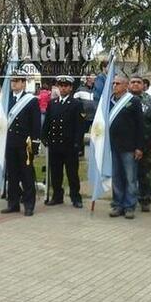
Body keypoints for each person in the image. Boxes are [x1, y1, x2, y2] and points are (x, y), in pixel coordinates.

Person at [0, 70, 41, 217]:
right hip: (10, 143)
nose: (14, 83)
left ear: (24, 83)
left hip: (25, 144)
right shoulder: (7, 99)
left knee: (27, 175)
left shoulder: (31, 100)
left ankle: (29, 205)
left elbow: (36, 125)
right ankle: (13, 203)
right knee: (12, 175)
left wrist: (35, 144)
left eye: (17, 81)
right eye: (12, 81)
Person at [42, 75, 84, 208]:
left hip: (69, 145)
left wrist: (78, 143)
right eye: (60, 85)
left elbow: (79, 126)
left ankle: (75, 197)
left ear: (71, 88)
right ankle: (57, 196)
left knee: (72, 173)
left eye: (65, 86)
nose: (63, 88)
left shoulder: (76, 104)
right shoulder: (52, 103)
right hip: (55, 144)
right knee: (56, 173)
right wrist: (44, 137)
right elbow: (47, 122)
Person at [107, 74, 145, 219]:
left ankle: (129, 206)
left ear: (125, 85)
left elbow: (140, 126)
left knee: (130, 178)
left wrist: (139, 147)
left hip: (129, 147)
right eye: (113, 83)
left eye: (117, 83)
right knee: (117, 177)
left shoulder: (133, 101)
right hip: (114, 146)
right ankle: (118, 204)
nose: (114, 86)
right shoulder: (109, 101)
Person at [129, 73, 151, 212]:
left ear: (143, 85)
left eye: (138, 82)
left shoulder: (149, 100)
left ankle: (145, 200)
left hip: (145, 144)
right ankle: (129, 200)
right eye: (133, 82)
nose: (135, 84)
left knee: (145, 174)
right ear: (129, 84)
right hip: (127, 144)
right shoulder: (123, 99)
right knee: (129, 174)